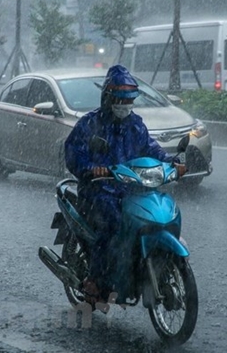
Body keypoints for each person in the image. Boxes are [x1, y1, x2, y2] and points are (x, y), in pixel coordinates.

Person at [64, 64, 186, 304]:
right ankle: (96, 280)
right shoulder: (90, 124)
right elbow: (72, 154)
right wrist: (91, 169)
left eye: (128, 100)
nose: (124, 105)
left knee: (159, 212)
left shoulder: (135, 124)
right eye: (120, 99)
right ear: (108, 98)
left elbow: (150, 148)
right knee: (112, 223)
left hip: (132, 188)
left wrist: (172, 162)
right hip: (99, 189)